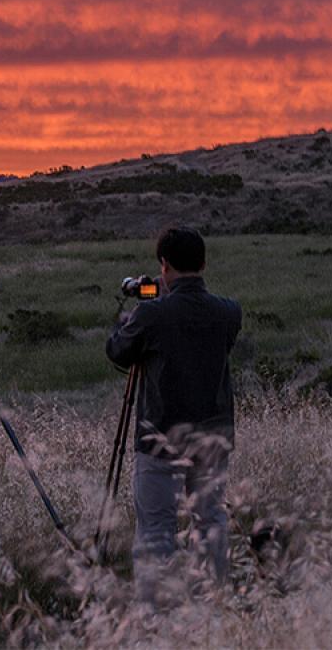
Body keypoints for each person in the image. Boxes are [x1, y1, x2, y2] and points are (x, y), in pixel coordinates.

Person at [105, 226, 242, 603]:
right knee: (211, 519)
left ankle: (159, 614)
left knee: (156, 531)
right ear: (203, 262)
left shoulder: (152, 315)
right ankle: (215, 602)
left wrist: (131, 314)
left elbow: (118, 351)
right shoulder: (229, 312)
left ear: (163, 265)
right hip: (214, 436)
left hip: (160, 438)